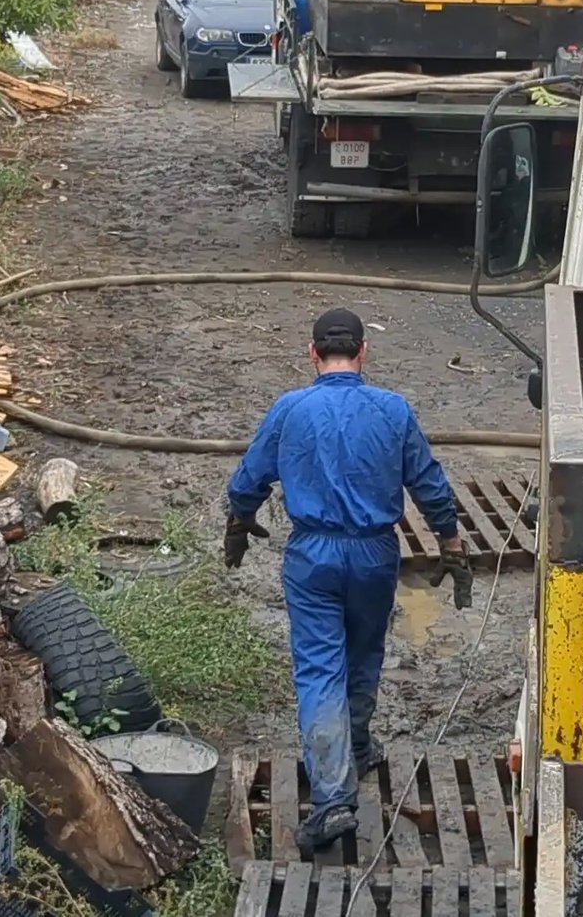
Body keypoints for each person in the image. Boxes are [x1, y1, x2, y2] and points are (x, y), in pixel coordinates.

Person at [223, 307, 470, 851]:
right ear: (364, 351)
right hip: (376, 553)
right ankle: (356, 745)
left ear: (312, 353)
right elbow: (429, 484)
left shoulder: (291, 409)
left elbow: (249, 478)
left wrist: (240, 519)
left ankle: (334, 798)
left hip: (313, 555)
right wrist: (450, 542)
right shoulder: (393, 409)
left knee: (320, 667)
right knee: (364, 653)